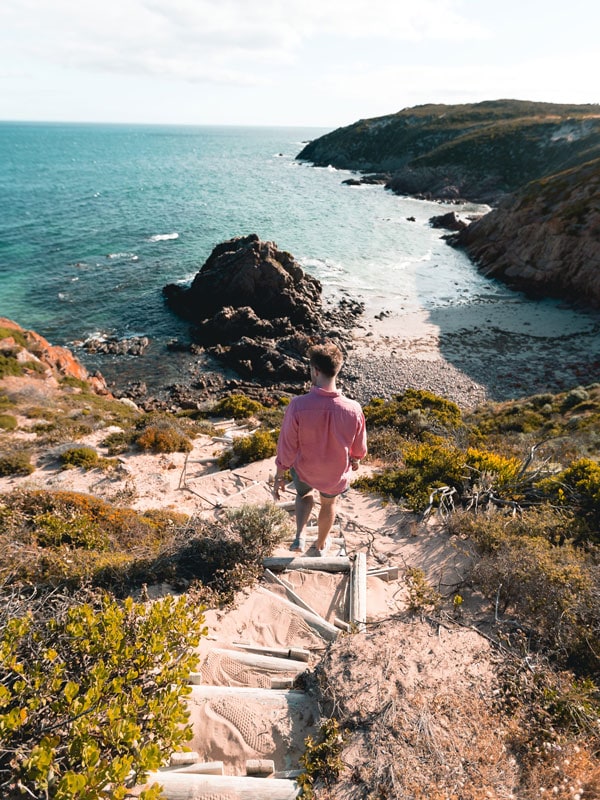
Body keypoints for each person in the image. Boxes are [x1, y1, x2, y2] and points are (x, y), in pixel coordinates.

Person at [273, 342, 367, 556]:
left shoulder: (297, 405)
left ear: (315, 371)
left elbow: (286, 446)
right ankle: (321, 544)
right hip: (334, 473)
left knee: (304, 496)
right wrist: (355, 459)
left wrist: (280, 474)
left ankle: (299, 536)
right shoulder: (354, 409)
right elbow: (359, 448)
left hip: (304, 469)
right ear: (338, 369)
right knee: (328, 504)